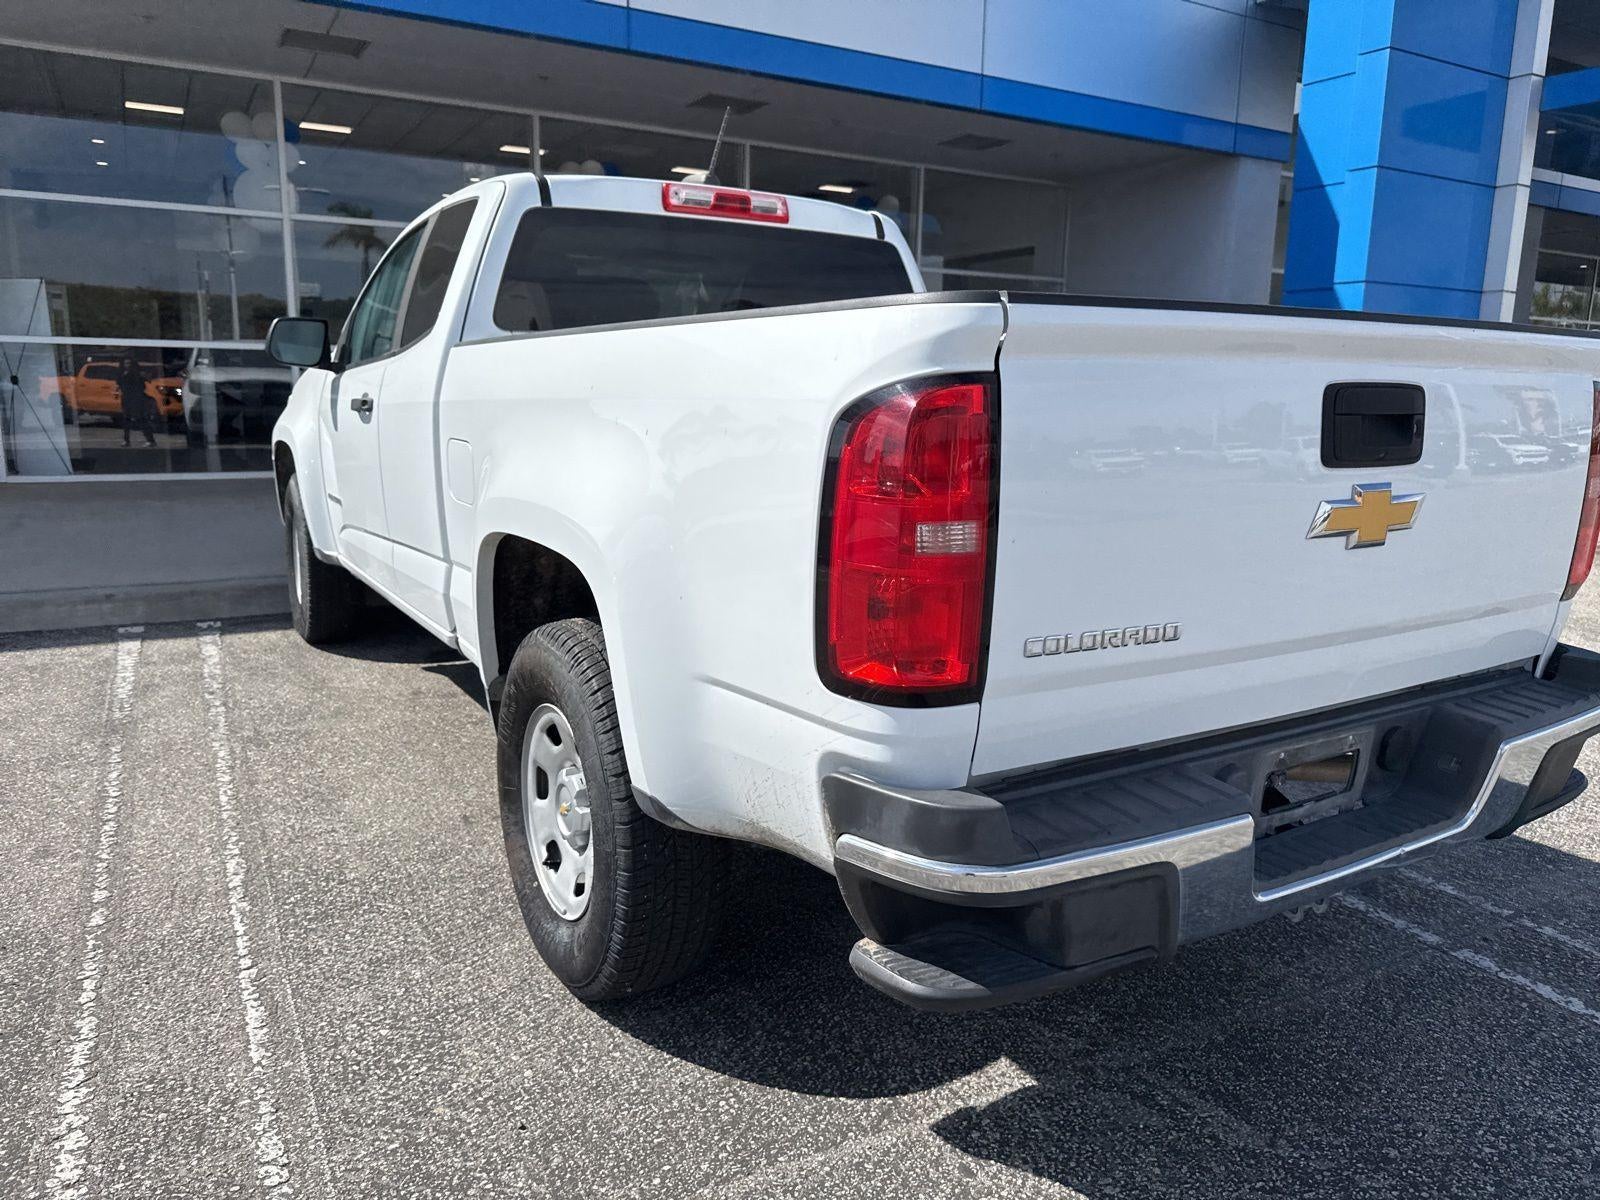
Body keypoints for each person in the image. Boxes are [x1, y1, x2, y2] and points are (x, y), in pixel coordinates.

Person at [115, 356, 157, 448]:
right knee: (126, 420)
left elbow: (145, 382)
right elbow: (119, 384)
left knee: (140, 419)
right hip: (126, 398)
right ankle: (126, 440)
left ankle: (150, 440)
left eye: (129, 363)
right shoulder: (121, 373)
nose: (127, 365)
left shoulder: (136, 374)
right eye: (126, 363)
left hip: (136, 398)